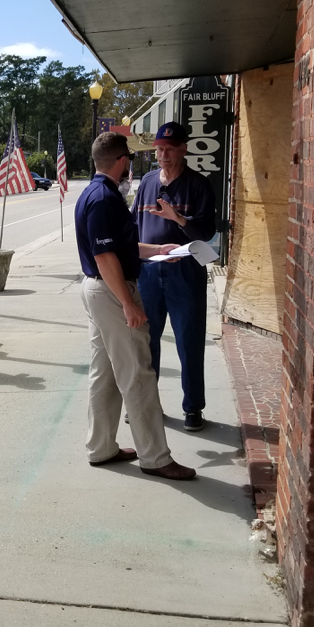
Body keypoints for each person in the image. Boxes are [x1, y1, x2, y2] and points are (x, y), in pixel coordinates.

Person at [74, 131, 195, 481]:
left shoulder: (97, 194)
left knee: (106, 373)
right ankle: (155, 457)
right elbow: (104, 255)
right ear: (123, 162)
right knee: (139, 375)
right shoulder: (104, 199)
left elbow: (118, 247)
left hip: (100, 291)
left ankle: (101, 447)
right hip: (111, 291)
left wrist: (156, 251)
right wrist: (128, 303)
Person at [132, 122, 216, 432]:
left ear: (184, 149)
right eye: (159, 149)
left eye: (170, 149)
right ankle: (147, 404)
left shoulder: (198, 185)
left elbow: (207, 232)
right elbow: (134, 227)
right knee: (145, 342)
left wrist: (178, 218)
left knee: (189, 342)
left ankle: (193, 407)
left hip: (185, 274)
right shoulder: (147, 183)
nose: (164, 155)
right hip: (150, 274)